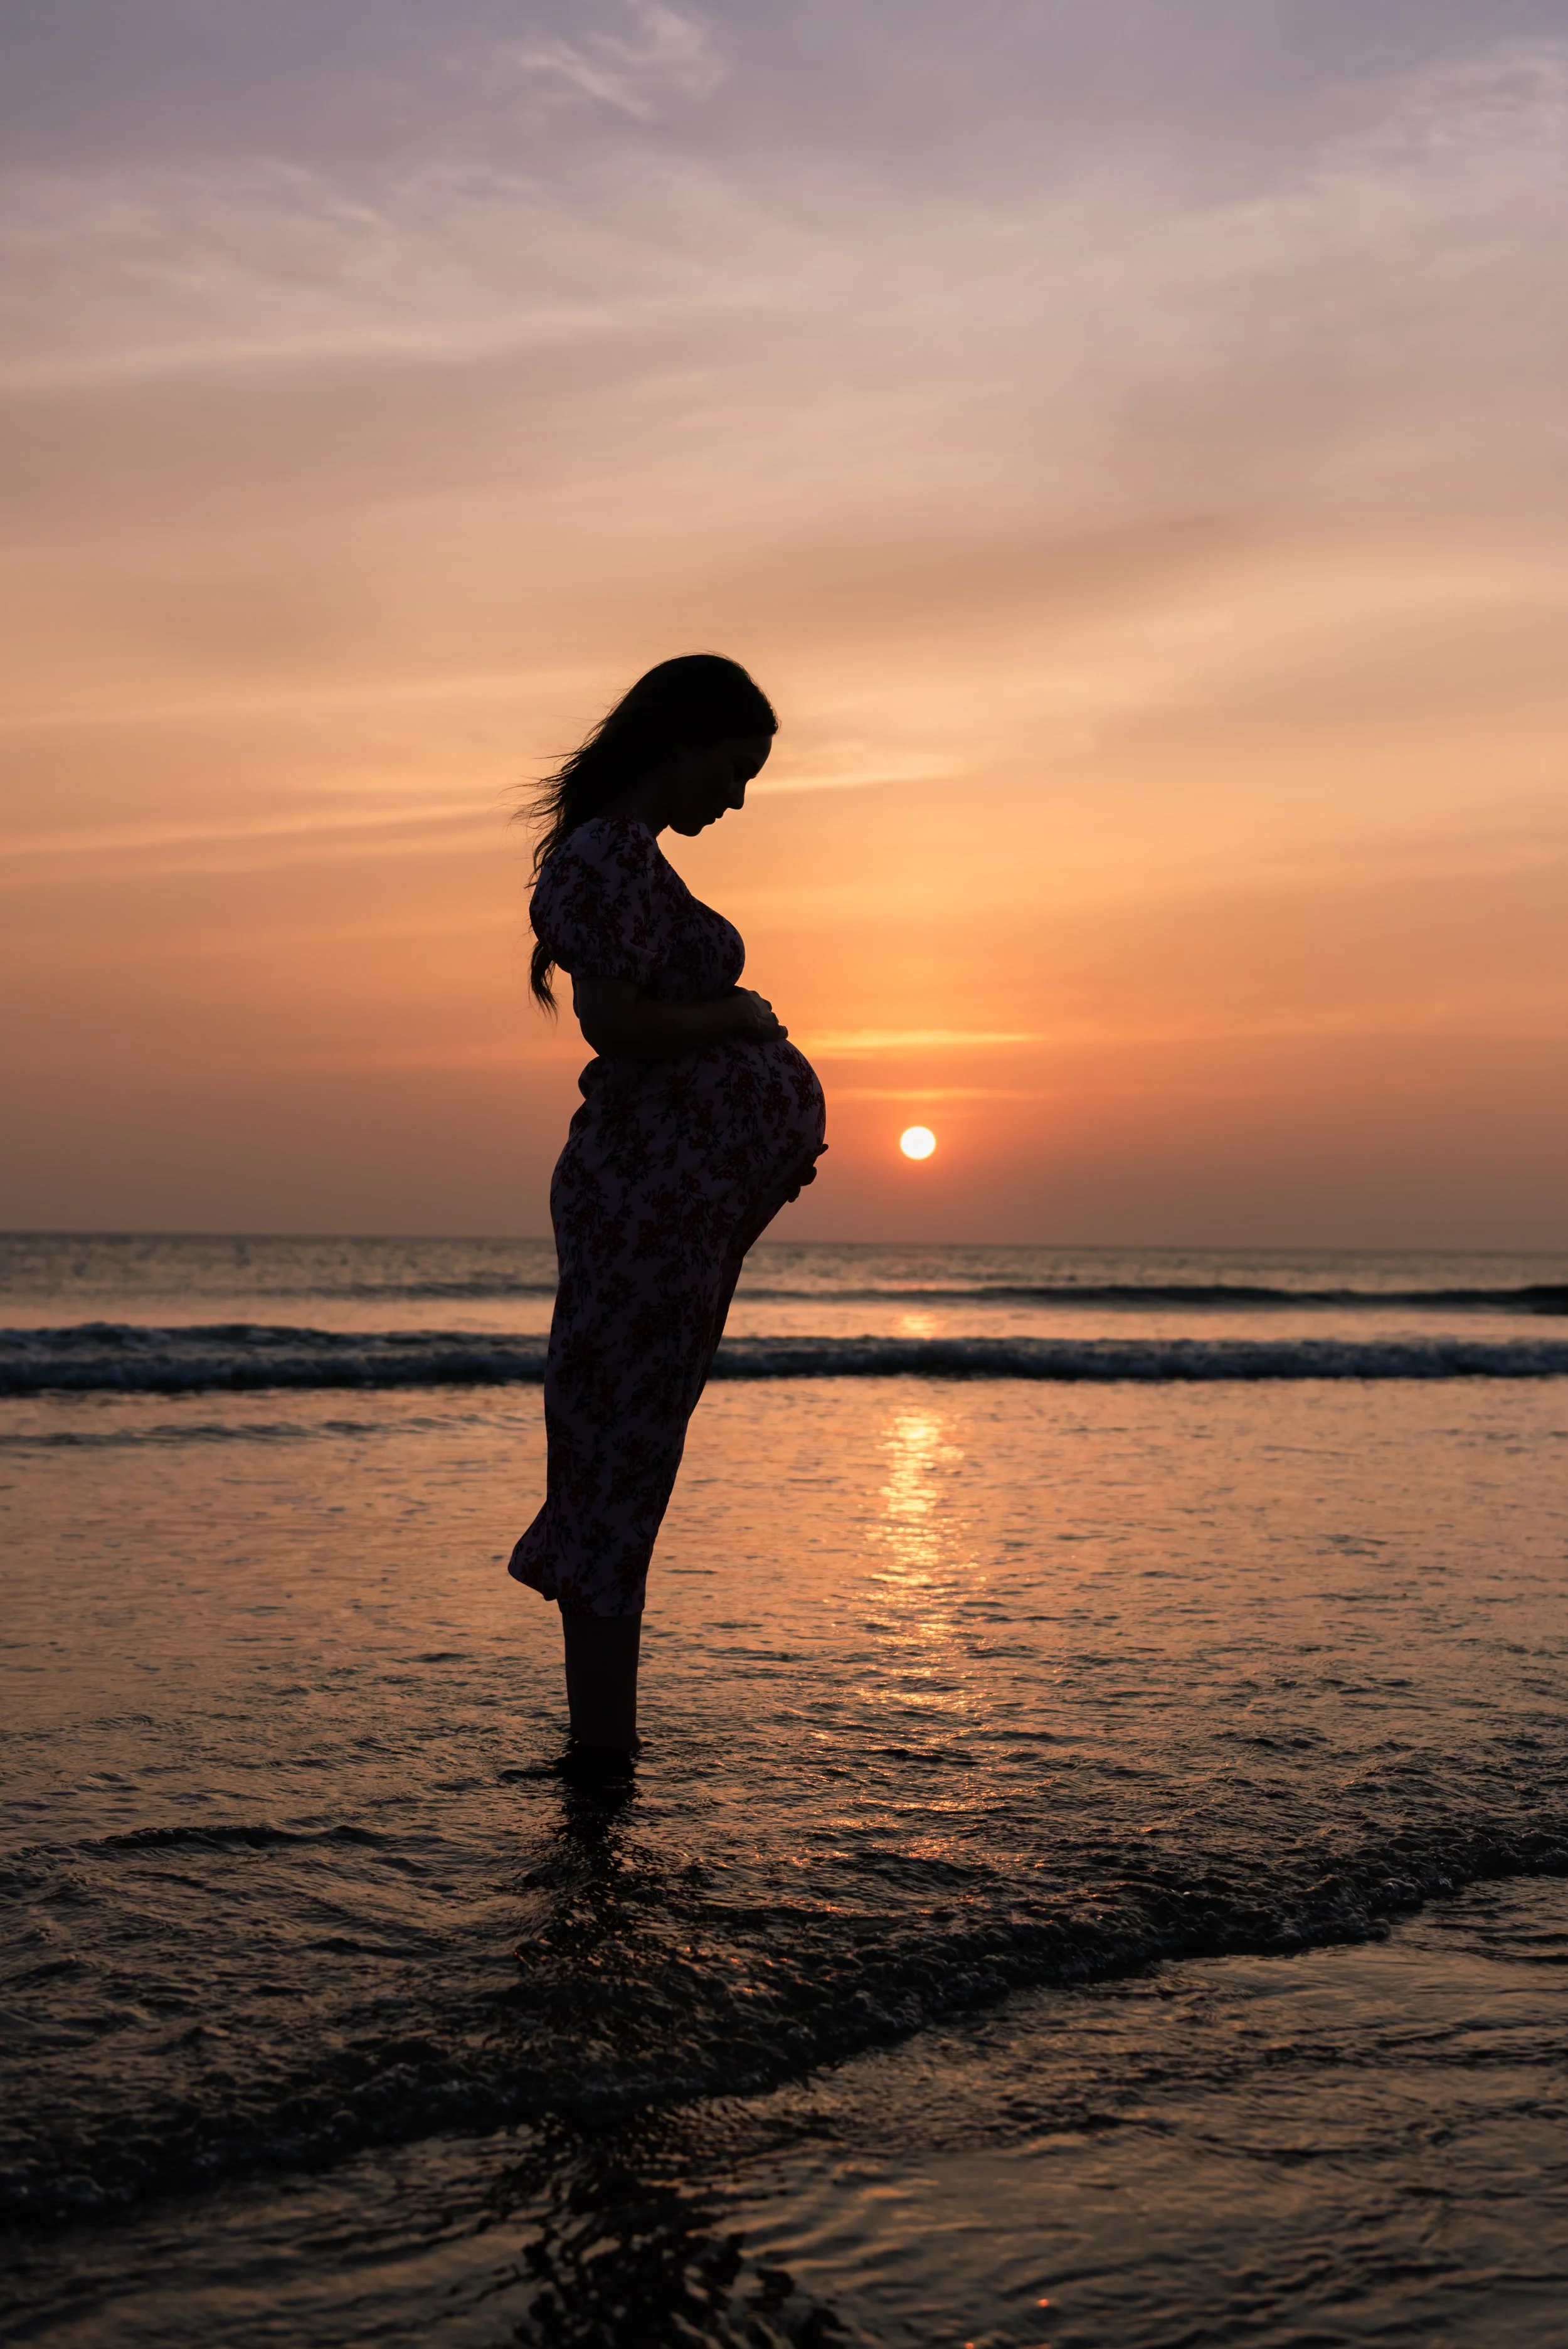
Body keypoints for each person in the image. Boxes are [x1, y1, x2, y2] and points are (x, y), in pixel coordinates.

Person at [509, 655, 827, 1753]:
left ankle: (607, 1747)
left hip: (670, 1210)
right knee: (618, 1456)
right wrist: (737, 1022)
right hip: (640, 1208)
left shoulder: (632, 858)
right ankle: (602, 1752)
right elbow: (616, 1023)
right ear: (677, 744)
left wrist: (755, 1151)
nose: (737, 799)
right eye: (733, 770)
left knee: (633, 1457)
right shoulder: (608, 853)